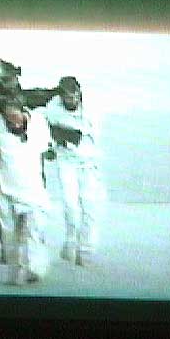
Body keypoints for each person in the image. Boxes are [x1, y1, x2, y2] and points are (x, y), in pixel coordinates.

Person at [0, 59, 59, 263]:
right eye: (9, 78)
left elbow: (36, 96)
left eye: (14, 77)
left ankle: (32, 244)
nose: (13, 81)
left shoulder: (19, 96)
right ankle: (7, 245)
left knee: (34, 201)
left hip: (25, 156)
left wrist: (55, 91)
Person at [0, 99, 52, 285]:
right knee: (9, 233)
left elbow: (47, 149)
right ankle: (15, 271)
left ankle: (34, 267)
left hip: (32, 188)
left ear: (23, 112)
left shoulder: (39, 122)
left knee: (34, 229)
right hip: (5, 187)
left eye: (15, 116)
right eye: (8, 117)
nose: (13, 121)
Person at [44, 76, 105, 265]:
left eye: (75, 95)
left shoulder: (91, 109)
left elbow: (92, 135)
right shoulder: (53, 110)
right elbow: (46, 131)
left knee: (90, 205)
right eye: (68, 96)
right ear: (61, 96)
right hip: (66, 162)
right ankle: (70, 241)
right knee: (70, 205)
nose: (72, 99)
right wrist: (53, 144)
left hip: (88, 163)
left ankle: (86, 248)